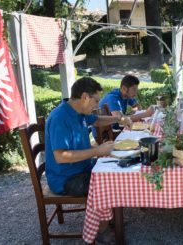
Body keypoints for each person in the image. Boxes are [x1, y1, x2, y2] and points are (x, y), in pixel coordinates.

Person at [45, 77, 132, 243]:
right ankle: (102, 230)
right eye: (96, 100)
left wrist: (118, 119)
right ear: (85, 96)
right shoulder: (59, 118)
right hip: (65, 179)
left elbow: (97, 120)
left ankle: (109, 218)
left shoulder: (78, 111)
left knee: (115, 170)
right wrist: (97, 150)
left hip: (82, 168)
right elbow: (60, 156)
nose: (97, 105)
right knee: (106, 184)